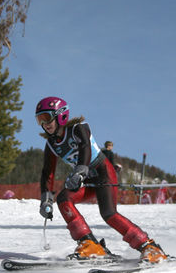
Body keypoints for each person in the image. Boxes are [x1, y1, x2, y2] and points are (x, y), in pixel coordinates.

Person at [35, 96, 168, 263]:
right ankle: (89, 243)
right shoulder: (51, 144)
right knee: (63, 199)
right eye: (39, 119)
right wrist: (46, 198)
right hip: (87, 180)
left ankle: (149, 246)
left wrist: (81, 170)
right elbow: (47, 172)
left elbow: (84, 147)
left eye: (46, 118)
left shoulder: (79, 128)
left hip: (103, 173)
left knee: (109, 213)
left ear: (60, 115)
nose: (44, 124)